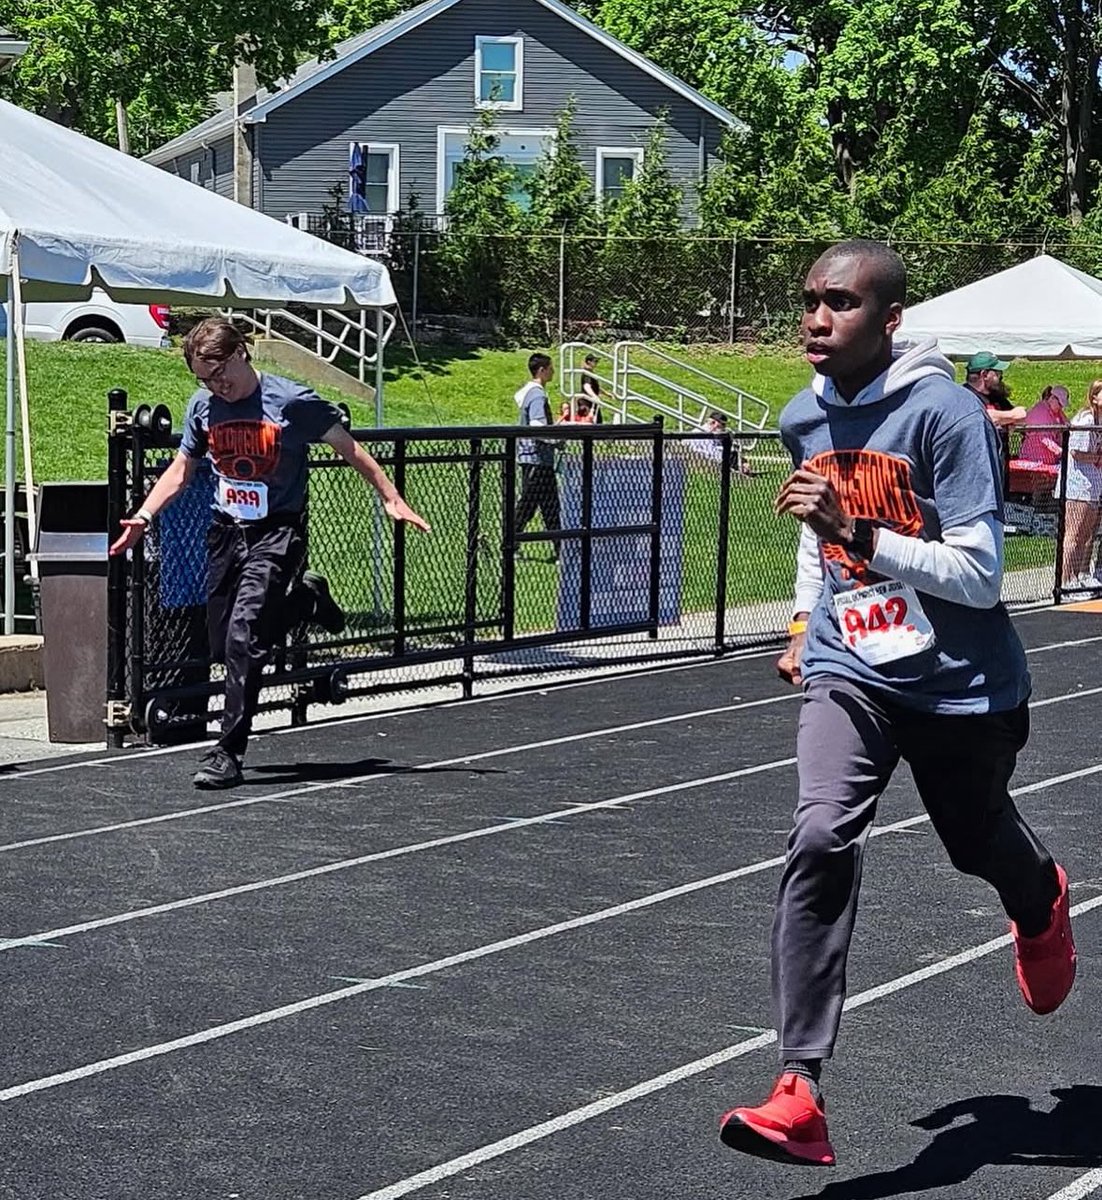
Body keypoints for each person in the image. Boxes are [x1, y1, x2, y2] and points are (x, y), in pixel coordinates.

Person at [720, 240, 1076, 1168]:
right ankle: (798, 1088)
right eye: (808, 300)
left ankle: (1037, 898)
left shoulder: (946, 414)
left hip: (962, 688)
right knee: (819, 833)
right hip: (855, 670)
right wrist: (807, 617)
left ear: (890, 320)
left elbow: (983, 571)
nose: (815, 318)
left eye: (839, 302)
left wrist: (862, 535)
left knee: (975, 841)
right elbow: (812, 523)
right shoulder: (805, 414)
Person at [109, 318, 429, 790]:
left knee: (244, 637)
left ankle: (227, 751)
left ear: (240, 353)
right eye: (204, 379)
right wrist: (145, 516)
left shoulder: (291, 402)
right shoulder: (204, 407)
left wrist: (390, 496)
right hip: (225, 532)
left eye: (219, 373)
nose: (216, 385)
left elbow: (350, 448)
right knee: (224, 645)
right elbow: (181, 470)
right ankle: (305, 601)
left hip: (276, 532)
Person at [514, 352, 561, 558]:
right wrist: (556, 439)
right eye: (551, 368)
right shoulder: (538, 395)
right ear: (542, 370)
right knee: (530, 505)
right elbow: (537, 425)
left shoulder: (529, 393)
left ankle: (560, 549)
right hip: (537, 459)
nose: (553, 371)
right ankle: (511, 544)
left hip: (535, 458)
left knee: (547, 506)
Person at [1057, 379, 1102, 590]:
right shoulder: (1086, 419)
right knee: (1073, 536)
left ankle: (1078, 577)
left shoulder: (1099, 419)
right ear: (1094, 397)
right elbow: (1076, 452)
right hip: (1078, 486)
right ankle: (1065, 582)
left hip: (1093, 484)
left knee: (1086, 535)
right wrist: (1097, 457)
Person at [1020, 385, 1069, 466]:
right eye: (1060, 404)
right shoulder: (1041, 412)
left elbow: (1068, 426)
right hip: (1034, 461)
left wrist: (1061, 413)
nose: (1061, 408)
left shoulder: (1055, 412)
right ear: (1052, 398)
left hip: (1049, 461)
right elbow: (1045, 440)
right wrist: (1062, 452)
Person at [579, 353, 604, 423]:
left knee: (598, 422)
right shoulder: (587, 373)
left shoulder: (590, 372)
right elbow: (586, 386)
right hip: (587, 403)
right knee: (592, 424)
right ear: (589, 362)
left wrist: (607, 394)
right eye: (595, 361)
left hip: (591, 402)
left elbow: (594, 387)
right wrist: (594, 396)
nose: (597, 363)